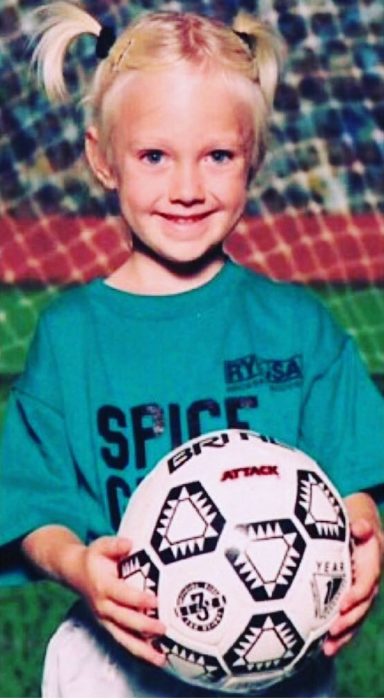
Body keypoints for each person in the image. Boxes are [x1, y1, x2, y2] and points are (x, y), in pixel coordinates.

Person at [0, 1, 383, 697]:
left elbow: (355, 476)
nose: (186, 189)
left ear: (254, 160)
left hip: (283, 666)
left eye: (217, 156)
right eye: (154, 155)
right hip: (113, 668)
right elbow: (31, 505)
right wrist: (77, 564)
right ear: (103, 159)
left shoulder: (300, 327)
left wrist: (358, 535)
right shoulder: (70, 336)